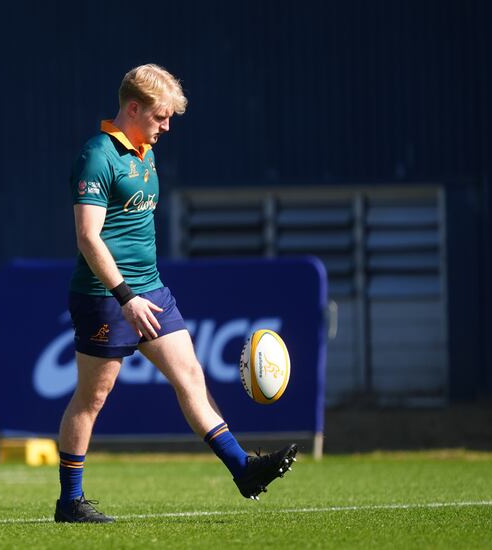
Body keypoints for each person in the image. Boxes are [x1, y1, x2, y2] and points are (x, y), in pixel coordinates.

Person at [55, 64, 297, 524]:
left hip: (153, 289)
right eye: (161, 117)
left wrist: (140, 292)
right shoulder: (97, 156)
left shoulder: (145, 152)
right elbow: (88, 238)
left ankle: (243, 468)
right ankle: (70, 501)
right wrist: (125, 296)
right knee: (93, 397)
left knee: (191, 376)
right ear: (133, 108)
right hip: (106, 296)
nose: (167, 127)